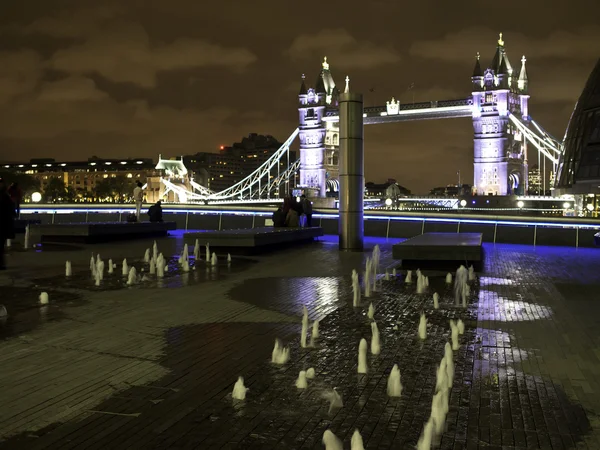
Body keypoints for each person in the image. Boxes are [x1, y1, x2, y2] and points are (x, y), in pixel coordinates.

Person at [0, 180, 16, 270]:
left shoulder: (5, 197)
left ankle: (1, 264)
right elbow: (12, 212)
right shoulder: (6, 197)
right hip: (4, 225)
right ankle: (1, 264)